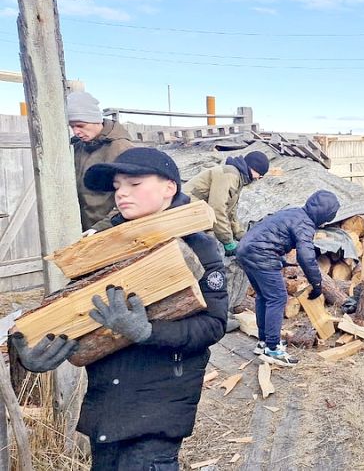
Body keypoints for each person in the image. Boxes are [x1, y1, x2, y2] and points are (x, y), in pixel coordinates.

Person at [10, 148, 228, 471]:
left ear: (170, 187)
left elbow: (213, 325)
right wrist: (32, 352)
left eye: (134, 183)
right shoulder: (101, 243)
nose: (121, 193)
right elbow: (70, 309)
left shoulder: (199, 246)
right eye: (117, 186)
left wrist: (147, 332)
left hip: (158, 408)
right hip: (106, 408)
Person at [236, 190, 340, 366]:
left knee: (264, 296)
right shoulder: (305, 224)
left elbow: (272, 234)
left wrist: (281, 260)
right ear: (323, 215)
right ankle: (273, 348)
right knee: (277, 298)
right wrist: (317, 284)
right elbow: (305, 257)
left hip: (244, 250)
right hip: (261, 255)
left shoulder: (294, 212)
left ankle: (264, 342)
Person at [68, 91, 134, 233]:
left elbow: (132, 195)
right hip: (82, 229)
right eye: (72, 126)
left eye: (80, 125)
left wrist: (101, 227)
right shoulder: (77, 146)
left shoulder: (121, 148)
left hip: (112, 230)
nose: (76, 132)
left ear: (96, 119)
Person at [184, 151, 270, 256]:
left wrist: (240, 235)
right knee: (209, 243)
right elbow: (217, 209)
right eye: (260, 176)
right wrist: (228, 242)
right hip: (185, 206)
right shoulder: (230, 175)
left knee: (212, 236)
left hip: (198, 208)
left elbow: (230, 212)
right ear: (253, 168)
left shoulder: (238, 178)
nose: (258, 179)